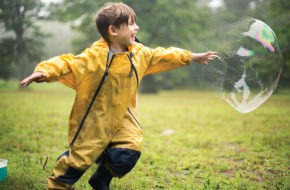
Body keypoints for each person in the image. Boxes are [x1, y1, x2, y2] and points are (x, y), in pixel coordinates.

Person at [20, 2, 218, 190]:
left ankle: (101, 178)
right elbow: (68, 64)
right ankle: (59, 185)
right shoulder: (93, 57)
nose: (137, 27)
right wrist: (44, 72)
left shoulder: (139, 54)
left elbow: (163, 55)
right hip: (94, 117)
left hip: (124, 115)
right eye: (131, 23)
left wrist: (191, 57)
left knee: (130, 150)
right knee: (80, 158)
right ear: (113, 31)